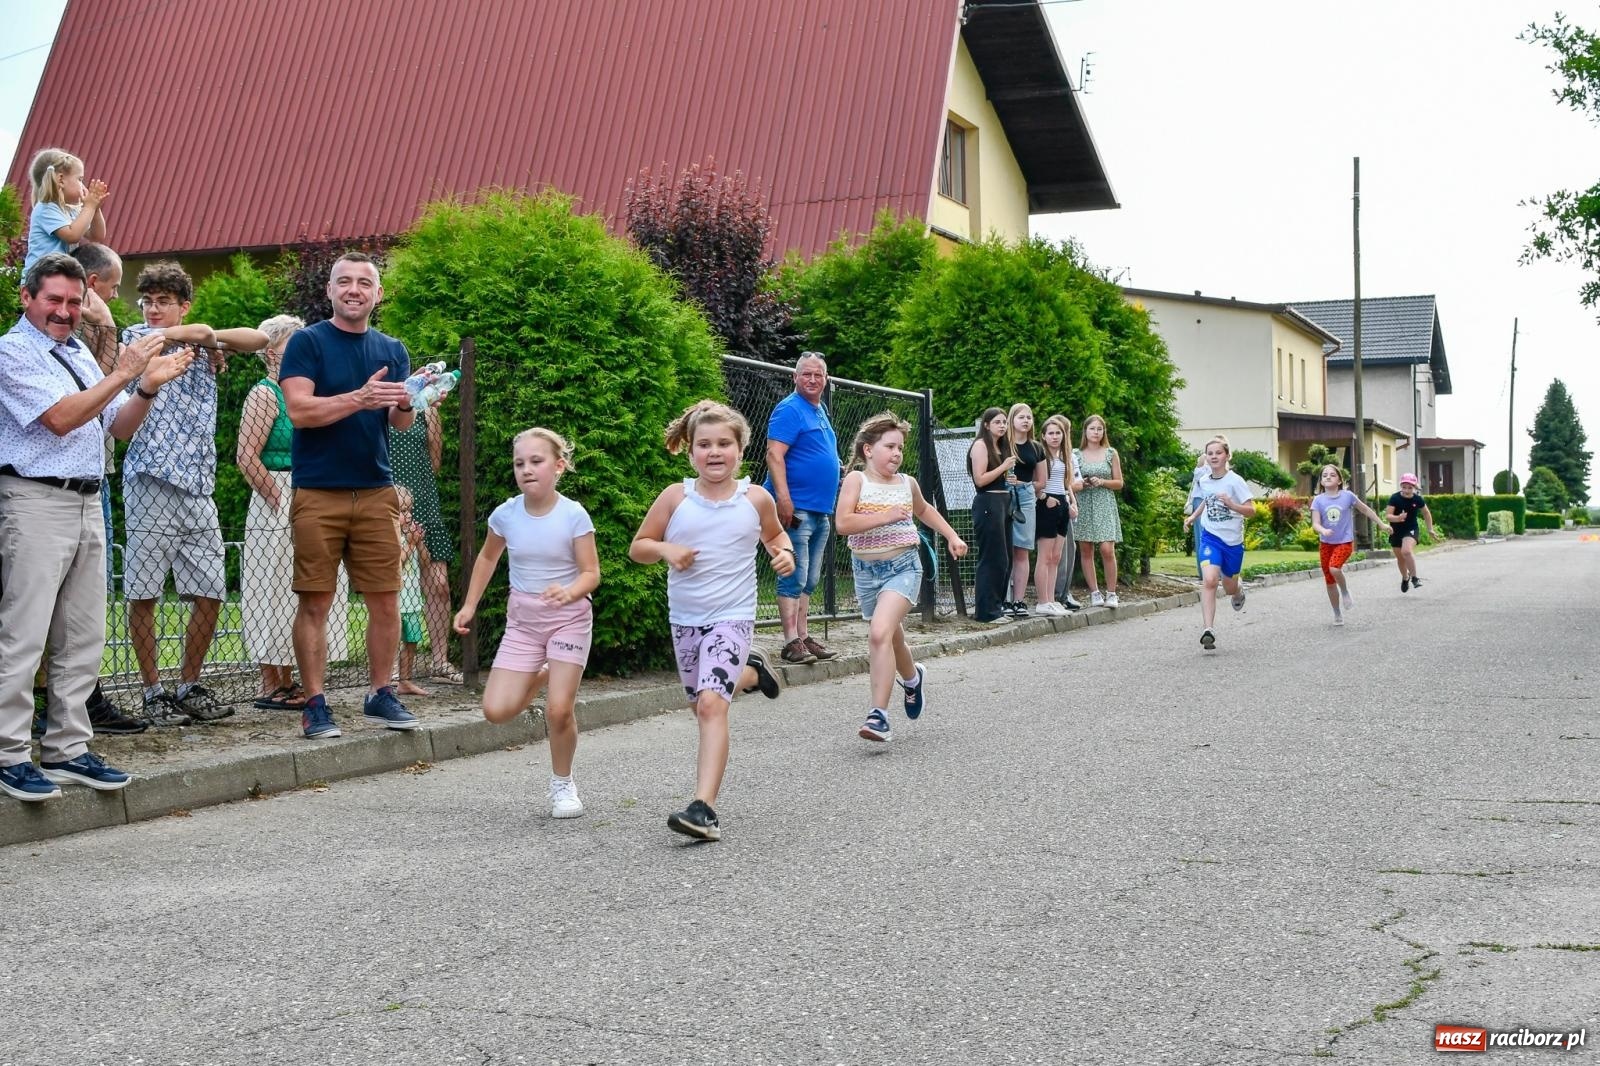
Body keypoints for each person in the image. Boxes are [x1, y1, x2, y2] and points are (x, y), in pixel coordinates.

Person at [0, 253, 188, 801]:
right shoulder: (12, 351)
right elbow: (61, 419)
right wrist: (126, 373)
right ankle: (9, 754)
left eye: (74, 301)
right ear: (27, 298)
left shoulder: (77, 351)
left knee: (83, 636)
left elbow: (117, 427)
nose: (65, 311)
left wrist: (146, 388)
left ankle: (66, 748)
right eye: (53, 300)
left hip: (86, 498)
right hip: (34, 500)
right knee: (23, 634)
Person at [631, 400, 791, 842]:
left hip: (732, 618)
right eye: (704, 444)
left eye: (724, 444)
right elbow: (639, 546)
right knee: (701, 703)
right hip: (685, 620)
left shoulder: (754, 499)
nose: (714, 452)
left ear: (740, 450)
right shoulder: (675, 497)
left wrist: (784, 555)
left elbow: (776, 536)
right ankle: (752, 673)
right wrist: (665, 549)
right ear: (690, 451)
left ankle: (704, 810)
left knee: (710, 705)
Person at [121, 261, 269, 725]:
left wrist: (208, 340)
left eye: (163, 302)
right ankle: (152, 693)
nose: (152, 310)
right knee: (144, 593)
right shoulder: (136, 338)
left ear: (183, 305)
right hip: (149, 480)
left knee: (210, 591)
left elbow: (260, 338)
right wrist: (195, 336)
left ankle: (188, 685)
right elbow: (196, 332)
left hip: (198, 485)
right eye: (147, 301)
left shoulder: (201, 343)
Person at [280, 252, 420, 739]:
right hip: (318, 491)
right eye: (344, 281)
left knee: (387, 600)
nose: (354, 289)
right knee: (315, 602)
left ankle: (381, 694)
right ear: (330, 290)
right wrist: (358, 398)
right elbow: (299, 411)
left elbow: (400, 423)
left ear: (378, 294)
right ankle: (315, 704)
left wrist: (409, 400)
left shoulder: (392, 349)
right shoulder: (307, 342)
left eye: (364, 282)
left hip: (376, 490)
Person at [453, 428, 602, 819]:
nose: (527, 469)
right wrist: (469, 605)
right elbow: (487, 558)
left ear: (559, 466)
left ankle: (563, 785)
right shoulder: (506, 515)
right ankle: (542, 674)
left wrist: (569, 592)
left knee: (559, 710)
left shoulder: (574, 515)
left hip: (569, 619)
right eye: (520, 463)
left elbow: (591, 574)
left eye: (536, 461)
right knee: (496, 711)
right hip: (523, 622)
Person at [238, 315, 353, 709]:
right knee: (271, 586)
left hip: (312, 490)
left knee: (303, 589)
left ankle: (295, 680)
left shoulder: (306, 393)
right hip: (278, 496)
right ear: (271, 353)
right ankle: (270, 682)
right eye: (292, 348)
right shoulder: (265, 395)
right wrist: (279, 499)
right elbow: (246, 456)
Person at [834, 412, 967, 743]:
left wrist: (951, 536)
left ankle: (878, 716)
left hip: (904, 567)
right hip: (866, 572)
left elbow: (924, 510)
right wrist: (885, 516)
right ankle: (912, 678)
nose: (896, 453)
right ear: (868, 449)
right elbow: (843, 524)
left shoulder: (907, 483)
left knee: (879, 633)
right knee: (892, 638)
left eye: (900, 448)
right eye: (890, 446)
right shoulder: (856, 481)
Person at [764, 352, 841, 665]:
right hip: (796, 510)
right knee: (793, 574)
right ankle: (790, 642)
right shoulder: (790, 409)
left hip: (819, 510)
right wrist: (783, 498)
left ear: (826, 379)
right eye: (806, 374)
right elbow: (774, 454)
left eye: (818, 375)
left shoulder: (819, 409)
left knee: (809, 578)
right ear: (794, 377)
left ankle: (804, 636)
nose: (812, 379)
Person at [389, 382, 461, 682]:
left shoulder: (428, 410)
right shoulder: (378, 407)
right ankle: (391, 666)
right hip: (388, 505)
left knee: (439, 584)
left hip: (424, 503)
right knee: (391, 586)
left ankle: (439, 661)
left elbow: (434, 462)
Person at [1183, 435, 1256, 651]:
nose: (1214, 456)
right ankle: (1208, 630)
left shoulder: (1235, 481)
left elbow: (1251, 510)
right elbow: (1206, 501)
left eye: (1218, 453)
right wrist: (1193, 517)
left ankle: (1238, 590)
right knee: (1210, 580)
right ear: (1206, 457)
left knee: (1229, 586)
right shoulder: (1204, 480)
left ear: (1227, 456)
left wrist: (1232, 505)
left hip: (1232, 542)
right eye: (1210, 453)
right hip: (1210, 537)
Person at [1309, 463, 1385, 626]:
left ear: (1339, 480)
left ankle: (1344, 591)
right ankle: (1337, 613)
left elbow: (1365, 510)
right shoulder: (1318, 500)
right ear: (1321, 481)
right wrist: (1323, 530)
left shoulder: (1347, 496)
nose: (1328, 477)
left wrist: (1381, 524)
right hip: (1326, 544)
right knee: (1329, 580)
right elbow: (1315, 523)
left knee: (1334, 568)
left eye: (1332, 475)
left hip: (1344, 542)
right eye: (1324, 475)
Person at [967, 406, 1016, 624]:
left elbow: (996, 477)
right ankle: (987, 612)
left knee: (1006, 558)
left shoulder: (1000, 446)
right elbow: (980, 479)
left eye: (1004, 422)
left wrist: (1008, 478)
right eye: (997, 422)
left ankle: (997, 606)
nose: (1002, 426)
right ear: (986, 425)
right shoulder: (980, 445)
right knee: (992, 557)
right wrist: (1003, 467)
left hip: (1003, 502)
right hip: (988, 503)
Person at [24, 148, 108, 272]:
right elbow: (72, 235)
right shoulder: (45, 208)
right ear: (61, 180)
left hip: (59, 274)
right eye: (80, 179)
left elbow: (97, 236)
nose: (83, 185)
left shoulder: (70, 210)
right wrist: (89, 207)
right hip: (39, 277)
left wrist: (95, 209)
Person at [1073, 414, 1125, 607]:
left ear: (1104, 432)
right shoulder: (1076, 454)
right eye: (1092, 429)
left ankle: (1112, 593)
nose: (1096, 432)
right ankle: (1094, 592)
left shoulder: (1111, 453)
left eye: (1099, 429)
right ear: (1085, 431)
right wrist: (1084, 483)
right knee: (1086, 549)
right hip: (1084, 502)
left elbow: (1119, 482)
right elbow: (1071, 480)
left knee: (1107, 549)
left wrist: (1102, 481)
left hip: (1104, 502)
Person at [1002, 403, 1047, 617]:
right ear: (1012, 420)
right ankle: (1003, 599)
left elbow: (1042, 481)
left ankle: (1019, 600)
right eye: (1021, 417)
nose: (1026, 421)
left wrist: (1025, 484)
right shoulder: (1002, 444)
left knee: (1022, 549)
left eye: (1029, 417)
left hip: (1026, 498)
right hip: (1004, 495)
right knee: (1004, 548)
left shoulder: (1036, 448)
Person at [1035, 414, 1080, 616]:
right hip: (1047, 503)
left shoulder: (1065, 455)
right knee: (1045, 556)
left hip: (1062, 502)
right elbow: (1033, 483)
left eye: (1058, 433)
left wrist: (1071, 503)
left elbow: (1067, 482)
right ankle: (1042, 601)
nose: (1055, 437)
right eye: (1051, 433)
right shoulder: (1041, 456)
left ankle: (1052, 600)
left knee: (1056, 557)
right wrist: (1045, 497)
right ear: (1044, 436)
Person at [395, 486, 430, 697]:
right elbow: (397, 562)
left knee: (412, 640)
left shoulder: (410, 536)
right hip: (395, 601)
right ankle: (386, 678)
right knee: (391, 641)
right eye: (402, 511)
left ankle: (405, 680)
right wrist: (410, 544)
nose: (408, 516)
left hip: (413, 600)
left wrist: (419, 542)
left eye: (409, 510)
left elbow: (425, 562)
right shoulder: (391, 537)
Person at [1385, 472, 1438, 592]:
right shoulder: (1395, 498)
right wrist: (1398, 518)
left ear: (1414, 487)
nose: (1407, 490)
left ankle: (1415, 578)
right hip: (1396, 531)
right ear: (1401, 486)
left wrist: (1430, 529)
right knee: (1400, 559)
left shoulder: (1417, 499)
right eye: (1404, 487)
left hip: (1411, 529)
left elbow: (1426, 513)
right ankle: (1405, 577)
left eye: (1410, 488)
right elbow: (1388, 516)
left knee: (1406, 551)